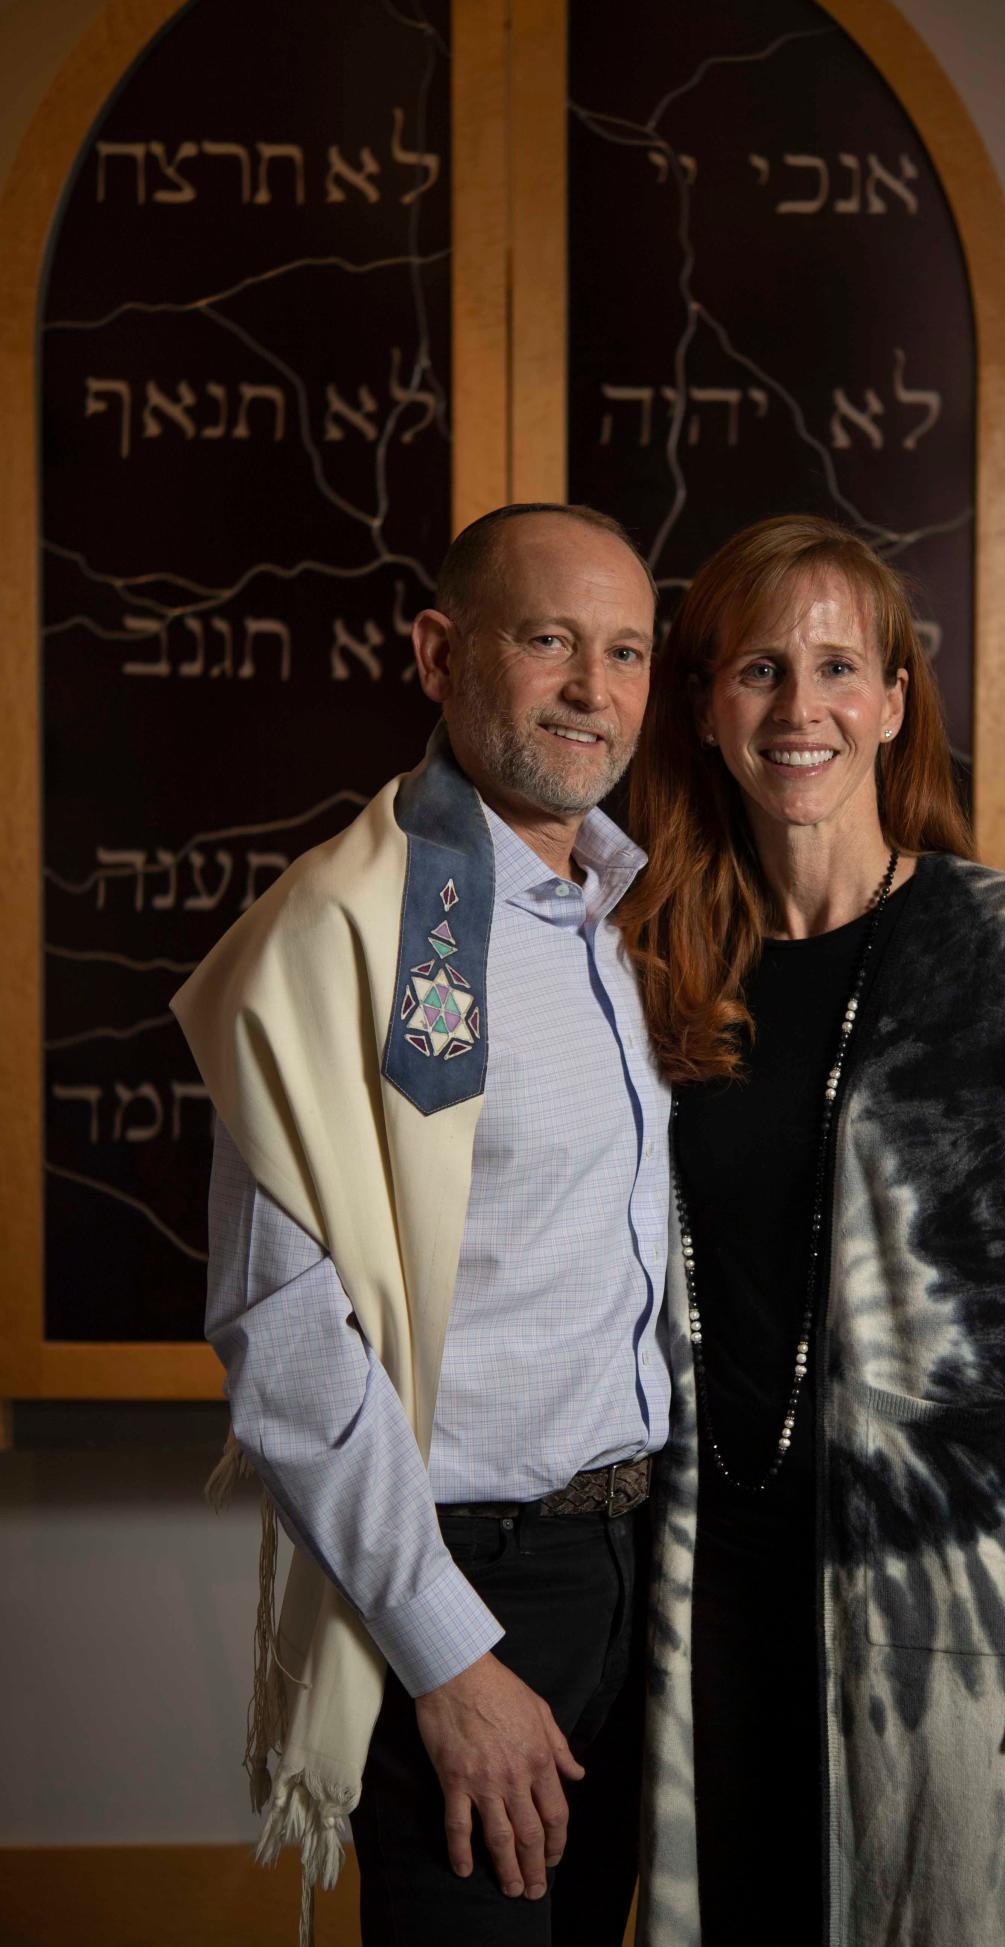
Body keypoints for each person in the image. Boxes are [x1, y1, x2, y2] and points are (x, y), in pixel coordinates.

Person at [618, 516, 1005, 1947]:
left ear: (892, 703)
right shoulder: (646, 964)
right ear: (704, 706)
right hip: (703, 1590)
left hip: (952, 1600)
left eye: (835, 667)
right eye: (756, 669)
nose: (798, 709)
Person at [172, 502, 669, 1946]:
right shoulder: (339, 932)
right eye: (549, 641)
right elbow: (285, 1343)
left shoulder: (628, 919)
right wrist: (450, 1660)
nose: (594, 688)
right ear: (440, 654)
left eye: (627, 650)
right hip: (460, 1579)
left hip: (637, 1569)